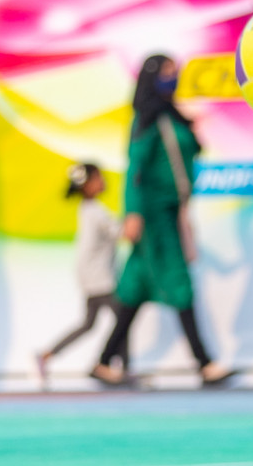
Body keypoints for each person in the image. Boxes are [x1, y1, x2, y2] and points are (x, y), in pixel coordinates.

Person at [92, 55, 233, 388]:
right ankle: (204, 363)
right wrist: (134, 213)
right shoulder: (147, 119)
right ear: (153, 78)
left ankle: (101, 362)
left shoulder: (172, 117)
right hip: (154, 216)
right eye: (168, 73)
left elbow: (191, 151)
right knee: (178, 282)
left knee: (135, 287)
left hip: (172, 212)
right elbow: (135, 170)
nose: (174, 78)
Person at [37, 163, 129, 383]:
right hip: (100, 278)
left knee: (89, 324)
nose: (103, 181)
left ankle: (46, 355)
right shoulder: (96, 212)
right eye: (98, 178)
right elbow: (122, 233)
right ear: (87, 186)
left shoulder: (88, 210)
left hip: (90, 276)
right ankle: (118, 367)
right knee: (124, 320)